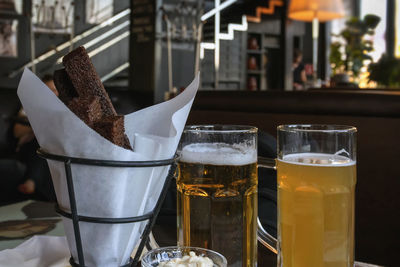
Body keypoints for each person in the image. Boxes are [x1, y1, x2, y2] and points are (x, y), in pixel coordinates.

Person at [0, 74, 57, 202]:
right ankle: (31, 181)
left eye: (55, 90)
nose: (53, 94)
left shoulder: (63, 108)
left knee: (48, 145)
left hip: (51, 147)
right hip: (26, 147)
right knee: (41, 142)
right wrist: (39, 124)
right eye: (48, 90)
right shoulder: (29, 105)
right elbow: (17, 132)